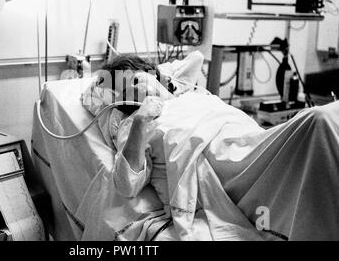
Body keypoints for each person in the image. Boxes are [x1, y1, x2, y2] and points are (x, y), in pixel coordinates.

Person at [98, 54, 339, 241]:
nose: (136, 86)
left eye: (139, 77)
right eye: (128, 87)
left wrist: (166, 80)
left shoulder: (192, 94)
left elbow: (195, 58)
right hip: (229, 165)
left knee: (327, 119)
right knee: (319, 122)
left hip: (249, 138)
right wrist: (141, 118)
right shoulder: (135, 122)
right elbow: (126, 184)